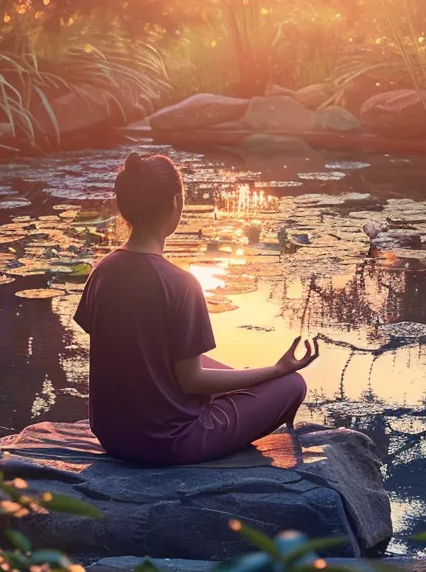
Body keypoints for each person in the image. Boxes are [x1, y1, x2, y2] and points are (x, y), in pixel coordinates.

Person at [72, 152, 318, 466]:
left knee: (205, 363)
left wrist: (248, 378)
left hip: (113, 436)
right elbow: (191, 382)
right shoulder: (181, 283)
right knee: (292, 385)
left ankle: (253, 381)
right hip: (171, 441)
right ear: (176, 203)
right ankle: (268, 383)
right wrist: (275, 371)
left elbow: (127, 350)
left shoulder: (102, 272)